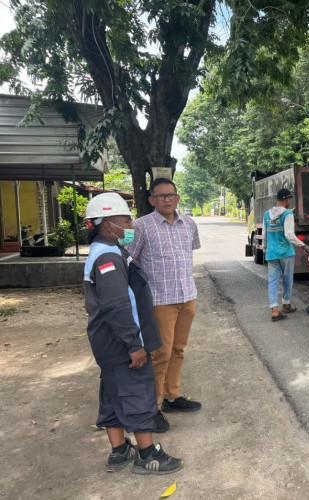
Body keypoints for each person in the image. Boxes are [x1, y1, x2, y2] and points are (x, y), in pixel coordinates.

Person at [83, 193, 183, 474]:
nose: (131, 225)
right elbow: (116, 305)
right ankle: (147, 454)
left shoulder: (108, 252)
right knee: (138, 393)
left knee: (113, 393)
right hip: (120, 343)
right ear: (107, 225)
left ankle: (118, 451)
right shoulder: (108, 259)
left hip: (108, 342)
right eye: (125, 220)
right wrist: (133, 344)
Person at [128, 178, 201, 433]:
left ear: (178, 197)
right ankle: (153, 408)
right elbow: (130, 259)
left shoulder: (189, 224)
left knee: (178, 349)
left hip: (186, 296)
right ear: (151, 200)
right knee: (160, 354)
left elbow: (188, 254)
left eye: (171, 195)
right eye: (160, 196)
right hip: (160, 301)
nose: (167, 200)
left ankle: (171, 395)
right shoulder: (141, 226)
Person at [263, 188, 309, 321]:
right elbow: (289, 234)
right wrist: (303, 245)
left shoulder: (267, 214)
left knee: (273, 281)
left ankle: (274, 310)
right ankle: (285, 305)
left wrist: (265, 250)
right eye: (289, 200)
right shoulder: (287, 214)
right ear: (286, 200)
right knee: (287, 280)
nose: (289, 202)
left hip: (272, 253)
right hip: (285, 253)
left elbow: (264, 235)